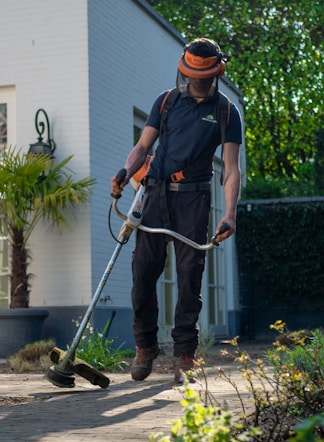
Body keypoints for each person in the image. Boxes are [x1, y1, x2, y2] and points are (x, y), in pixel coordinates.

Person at [110, 38, 243, 384]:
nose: (194, 81)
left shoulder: (227, 112)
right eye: (189, 74)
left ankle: (184, 356)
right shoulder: (166, 102)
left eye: (201, 76)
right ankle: (145, 347)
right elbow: (142, 147)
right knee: (142, 275)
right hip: (154, 197)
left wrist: (229, 213)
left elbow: (231, 169)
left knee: (189, 280)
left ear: (215, 73)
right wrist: (125, 173)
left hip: (193, 202)